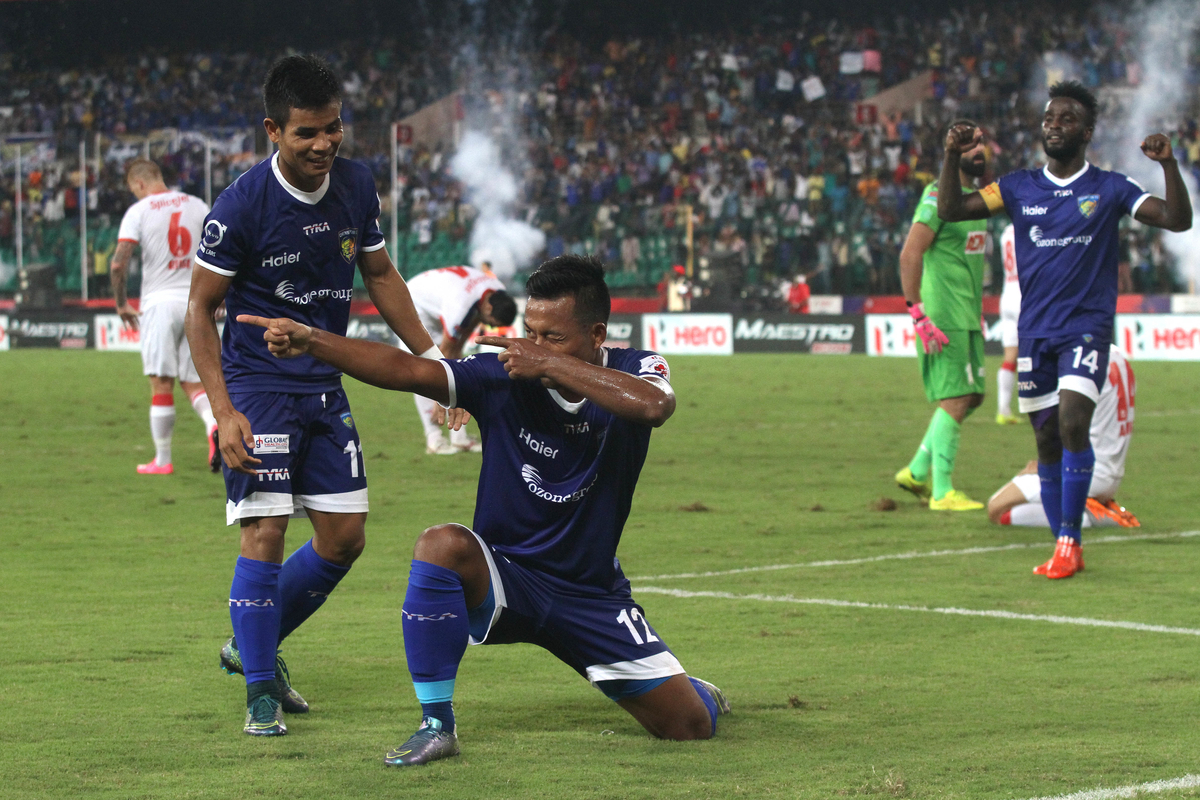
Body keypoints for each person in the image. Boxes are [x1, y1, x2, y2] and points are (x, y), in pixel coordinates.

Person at [237, 255, 730, 766]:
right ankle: (436, 726)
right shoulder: (502, 374)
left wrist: (550, 364)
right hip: (506, 577)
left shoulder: (636, 367)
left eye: (553, 337)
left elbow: (654, 406)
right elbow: (408, 370)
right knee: (440, 545)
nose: (532, 347)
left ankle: (686, 688)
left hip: (589, 593)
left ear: (597, 334)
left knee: (689, 727)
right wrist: (314, 341)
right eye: (530, 333)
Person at [184, 54, 441, 736]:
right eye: (307, 132)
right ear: (274, 130)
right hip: (259, 387)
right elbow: (199, 311)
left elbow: (379, 275)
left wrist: (433, 362)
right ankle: (260, 693)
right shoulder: (240, 206)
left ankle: (250, 646)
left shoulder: (355, 184)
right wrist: (223, 412)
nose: (324, 143)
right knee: (266, 530)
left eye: (333, 128)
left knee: (345, 537)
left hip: (324, 380)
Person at [937, 81, 1191, 578]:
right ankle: (1063, 542)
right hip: (1035, 333)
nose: (1054, 126)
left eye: (1066, 119)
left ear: (1087, 132)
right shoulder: (1017, 186)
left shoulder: (1110, 187)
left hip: (1086, 329)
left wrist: (1169, 165)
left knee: (1074, 422)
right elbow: (952, 210)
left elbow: (1176, 219)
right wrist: (950, 157)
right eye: (1049, 118)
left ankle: (1070, 542)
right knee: (1048, 441)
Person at [893, 119, 990, 511]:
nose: (978, 150)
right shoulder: (937, 197)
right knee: (957, 396)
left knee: (973, 395)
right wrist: (918, 314)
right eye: (969, 145)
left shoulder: (978, 199)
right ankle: (942, 492)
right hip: (943, 313)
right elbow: (910, 253)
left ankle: (917, 470)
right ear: (952, 152)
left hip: (966, 313)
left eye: (981, 142)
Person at [110, 159, 217, 474]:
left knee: (161, 383)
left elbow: (118, 263)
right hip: (196, 303)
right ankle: (214, 426)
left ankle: (162, 460)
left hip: (159, 304)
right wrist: (219, 294)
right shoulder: (197, 205)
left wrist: (121, 303)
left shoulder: (139, 211)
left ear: (140, 184)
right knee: (194, 381)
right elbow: (222, 250)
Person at [988, 345, 1138, 529]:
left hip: (1084, 471)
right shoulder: (1117, 355)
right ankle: (1094, 504)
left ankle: (1093, 517)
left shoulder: (1079, 359)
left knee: (997, 508)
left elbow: (1069, 423)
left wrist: (1046, 465)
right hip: (1111, 472)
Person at [404, 265, 518, 454]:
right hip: (414, 303)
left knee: (457, 367)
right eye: (491, 322)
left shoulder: (495, 293)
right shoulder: (460, 305)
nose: (489, 326)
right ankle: (434, 439)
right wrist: (439, 398)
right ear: (489, 308)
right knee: (423, 366)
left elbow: (459, 346)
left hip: (439, 295)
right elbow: (442, 355)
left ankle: (459, 438)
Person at [995, 222, 1021, 425]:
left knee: (1010, 357)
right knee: (1037, 354)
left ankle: (1003, 410)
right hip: (1025, 295)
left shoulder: (1005, 233)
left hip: (1007, 295)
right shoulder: (1028, 226)